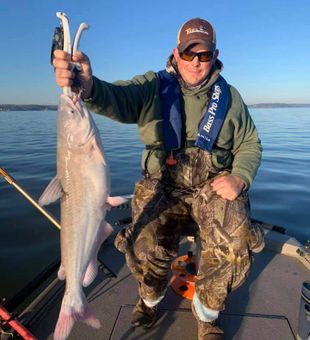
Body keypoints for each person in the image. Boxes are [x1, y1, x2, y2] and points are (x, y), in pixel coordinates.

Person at [53, 18, 264, 340]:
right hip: (163, 183)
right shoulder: (152, 87)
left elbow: (249, 142)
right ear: (176, 53)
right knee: (144, 242)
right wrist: (87, 83)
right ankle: (150, 301)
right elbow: (116, 98)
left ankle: (208, 315)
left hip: (213, 185)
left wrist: (239, 177)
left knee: (234, 244)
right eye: (189, 53)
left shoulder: (230, 98)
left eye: (204, 55)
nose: (196, 62)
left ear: (215, 55)